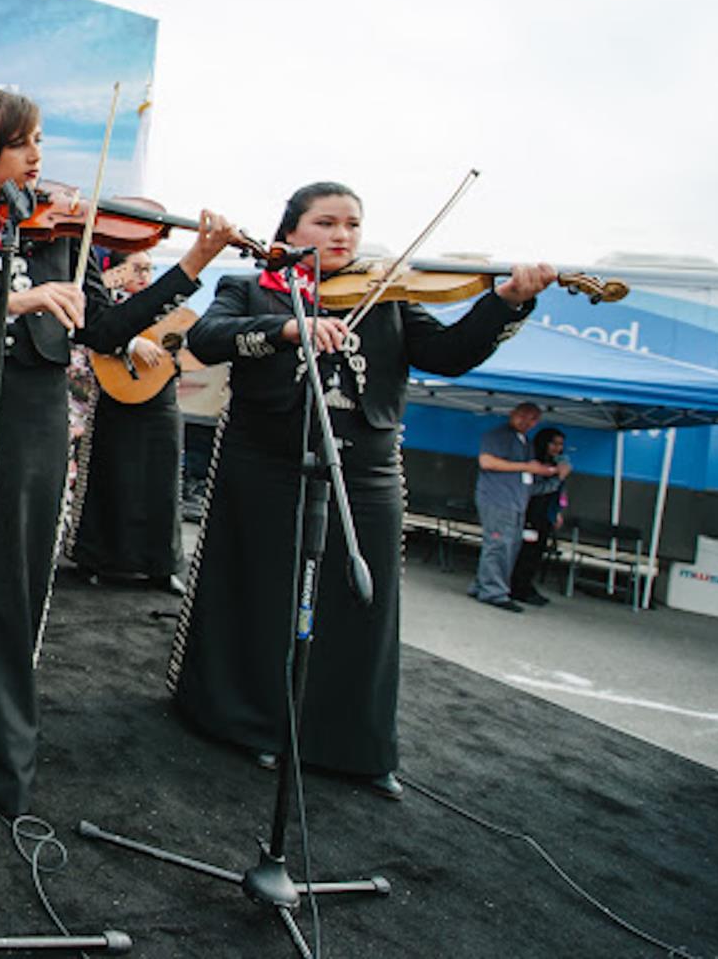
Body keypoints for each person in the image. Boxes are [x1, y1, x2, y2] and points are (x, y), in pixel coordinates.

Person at [0, 92, 231, 816]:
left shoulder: (63, 238)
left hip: (36, 422)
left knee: (12, 579)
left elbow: (110, 329)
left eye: (40, 141)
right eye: (23, 143)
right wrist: (19, 301)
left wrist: (192, 262)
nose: (39, 157)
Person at [168, 182, 555, 799]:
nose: (342, 234)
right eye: (325, 222)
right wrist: (287, 330)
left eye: (352, 223)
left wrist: (506, 301)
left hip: (366, 469)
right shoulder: (251, 286)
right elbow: (209, 339)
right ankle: (253, 723)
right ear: (291, 233)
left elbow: (450, 354)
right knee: (261, 594)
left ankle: (353, 742)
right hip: (266, 462)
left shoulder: (390, 295)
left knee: (359, 605)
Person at [68, 248, 186, 590]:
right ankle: (95, 558)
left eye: (150, 269)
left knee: (161, 482)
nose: (144, 275)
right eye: (137, 268)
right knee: (109, 476)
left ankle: (160, 565)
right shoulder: (102, 298)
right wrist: (130, 342)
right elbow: (92, 333)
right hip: (113, 397)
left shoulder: (166, 304)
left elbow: (186, 342)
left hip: (159, 399)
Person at [471, 402, 563, 611]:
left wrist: (548, 476)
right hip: (498, 500)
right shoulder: (497, 435)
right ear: (513, 413)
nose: (526, 422)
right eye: (523, 416)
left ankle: (482, 585)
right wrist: (527, 466)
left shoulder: (525, 442)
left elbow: (528, 477)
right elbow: (487, 462)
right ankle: (493, 592)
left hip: (516, 501)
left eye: (532, 419)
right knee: (498, 546)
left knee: (509, 547)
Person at [512, 426, 569, 606]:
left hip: (546, 513)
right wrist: (556, 478)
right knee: (526, 551)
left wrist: (558, 511)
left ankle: (526, 585)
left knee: (537, 552)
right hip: (531, 512)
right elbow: (533, 489)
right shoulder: (534, 462)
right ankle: (517, 586)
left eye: (560, 445)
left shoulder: (557, 463)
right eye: (554, 443)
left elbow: (561, 492)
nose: (557, 448)